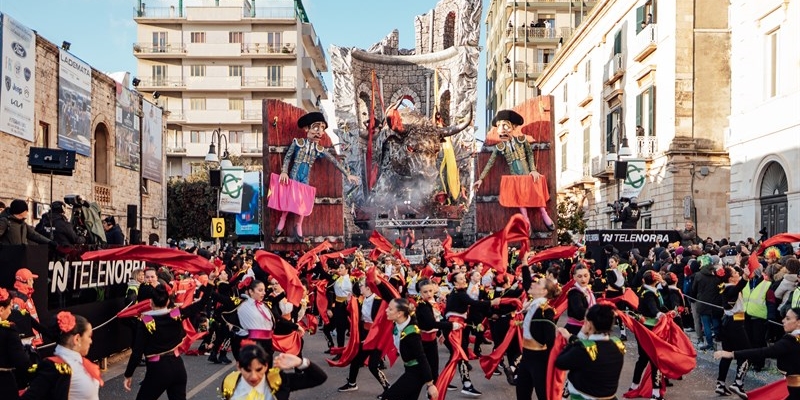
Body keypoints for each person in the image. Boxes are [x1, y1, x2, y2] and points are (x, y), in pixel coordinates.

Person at [270, 112, 360, 240]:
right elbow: (288, 157)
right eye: (316, 127)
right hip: (295, 173)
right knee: (290, 197)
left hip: (305, 175)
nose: (320, 132)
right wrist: (284, 171)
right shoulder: (298, 142)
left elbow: (333, 161)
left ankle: (298, 224)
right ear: (307, 129)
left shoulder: (319, 149)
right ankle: (283, 219)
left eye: (322, 128)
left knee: (303, 200)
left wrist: (347, 174)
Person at [474, 110, 555, 231]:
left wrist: (533, 169)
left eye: (505, 125)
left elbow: (530, 154)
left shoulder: (521, 141)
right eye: (499, 126)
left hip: (527, 173)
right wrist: (480, 179)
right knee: (520, 198)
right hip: (515, 176)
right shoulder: (499, 147)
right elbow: (490, 163)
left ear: (513, 127)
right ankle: (526, 219)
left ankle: (544, 213)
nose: (502, 128)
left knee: (536, 193)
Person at [123, 284, 197, 400]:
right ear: (168, 302)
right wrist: (210, 283)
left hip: (158, 369)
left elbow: (137, 353)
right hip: (178, 366)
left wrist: (128, 374)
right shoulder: (175, 314)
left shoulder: (146, 321)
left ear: (151, 302)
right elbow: (199, 305)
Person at [714, 306, 800, 400]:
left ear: (798, 322)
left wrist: (732, 354)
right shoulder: (793, 339)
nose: (783, 321)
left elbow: (763, 352)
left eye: (788, 318)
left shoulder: (790, 341)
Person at [22, 312, 101, 400]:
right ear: (77, 339)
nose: (91, 341)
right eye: (89, 336)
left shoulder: (77, 363)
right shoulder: (54, 366)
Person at [555, 304, 626, 400]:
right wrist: (570, 337)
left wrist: (581, 335)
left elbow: (560, 362)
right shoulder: (617, 345)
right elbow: (589, 346)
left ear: (589, 324)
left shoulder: (583, 350)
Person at [516, 267, 562, 400]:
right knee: (522, 394)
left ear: (544, 291)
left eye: (538, 283)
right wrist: (525, 265)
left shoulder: (545, 311)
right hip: (526, 356)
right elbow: (526, 283)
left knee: (543, 395)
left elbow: (550, 341)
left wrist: (550, 364)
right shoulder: (533, 305)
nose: (533, 283)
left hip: (539, 360)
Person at [219, 344, 327, 400]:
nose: (253, 376)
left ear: (266, 366)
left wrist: (300, 362)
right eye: (247, 370)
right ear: (238, 367)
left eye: (258, 369)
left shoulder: (278, 380)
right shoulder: (230, 382)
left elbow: (319, 378)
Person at [337, 280, 390, 393]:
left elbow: (381, 323)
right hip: (365, 334)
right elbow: (351, 313)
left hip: (376, 337)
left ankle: (387, 388)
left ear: (368, 288)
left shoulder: (379, 301)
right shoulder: (361, 299)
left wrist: (371, 337)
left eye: (361, 286)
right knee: (356, 360)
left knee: (373, 365)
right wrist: (347, 303)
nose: (359, 287)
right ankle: (352, 383)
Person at [382, 298, 438, 400]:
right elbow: (388, 294)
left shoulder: (411, 333)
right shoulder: (399, 322)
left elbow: (421, 357)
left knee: (387, 397)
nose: (386, 310)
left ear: (399, 313)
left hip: (417, 372)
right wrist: (378, 283)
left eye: (390, 309)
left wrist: (430, 384)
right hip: (409, 369)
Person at [629, 270, 668, 400]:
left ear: (643, 281)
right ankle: (656, 393)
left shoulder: (645, 290)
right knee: (654, 359)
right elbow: (654, 309)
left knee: (643, 358)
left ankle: (634, 386)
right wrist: (660, 315)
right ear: (656, 281)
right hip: (650, 329)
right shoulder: (649, 293)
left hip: (643, 328)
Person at [715, 266, 749, 397]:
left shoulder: (725, 287)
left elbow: (738, 287)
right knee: (746, 353)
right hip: (735, 324)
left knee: (727, 354)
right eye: (735, 273)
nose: (737, 274)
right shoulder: (730, 288)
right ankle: (738, 383)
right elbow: (739, 287)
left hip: (728, 323)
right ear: (730, 277)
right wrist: (745, 276)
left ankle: (721, 383)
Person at [0, 287, 33, 400]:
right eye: (9, 308)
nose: (10, 312)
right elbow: (21, 361)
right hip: (4, 383)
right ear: (1, 309)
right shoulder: (9, 330)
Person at [565, 262, 596, 335]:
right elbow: (580, 312)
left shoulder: (588, 290)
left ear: (589, 275)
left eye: (585, 275)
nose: (583, 279)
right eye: (579, 276)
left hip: (587, 328)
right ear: (574, 277)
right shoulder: (574, 293)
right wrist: (598, 313)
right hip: (576, 330)